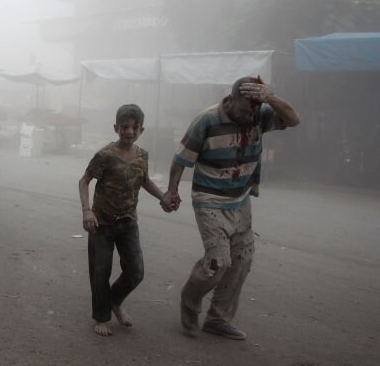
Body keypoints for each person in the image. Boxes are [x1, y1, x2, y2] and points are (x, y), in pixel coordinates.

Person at [162, 76, 301, 340]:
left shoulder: (260, 114)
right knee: (217, 263)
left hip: (241, 199)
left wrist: (269, 97)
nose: (251, 112)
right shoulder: (207, 120)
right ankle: (190, 301)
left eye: (256, 106)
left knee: (241, 261)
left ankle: (218, 319)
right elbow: (181, 159)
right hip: (209, 199)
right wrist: (172, 191)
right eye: (246, 106)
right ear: (232, 98)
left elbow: (294, 119)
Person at [78, 104, 174, 337]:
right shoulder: (105, 155)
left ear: (141, 129)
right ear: (116, 128)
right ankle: (101, 317)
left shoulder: (142, 155)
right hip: (101, 223)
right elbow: (84, 181)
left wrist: (163, 197)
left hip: (128, 221)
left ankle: (113, 301)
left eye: (134, 127)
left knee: (136, 271)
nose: (129, 131)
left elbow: (145, 181)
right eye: (124, 127)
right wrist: (87, 211)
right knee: (101, 271)